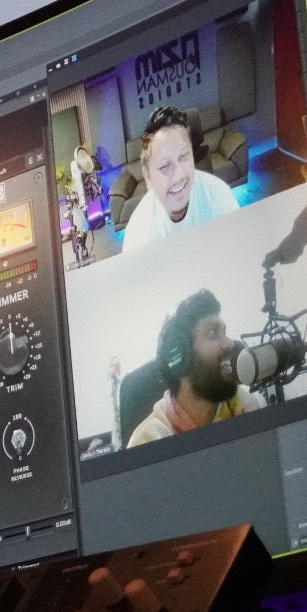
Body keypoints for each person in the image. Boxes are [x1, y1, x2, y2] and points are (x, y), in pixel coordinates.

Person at [126, 288, 263, 446]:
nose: (229, 343)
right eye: (213, 333)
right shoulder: (148, 441)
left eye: (224, 332)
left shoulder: (245, 404)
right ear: (180, 354)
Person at [121, 105, 239, 250]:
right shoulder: (139, 235)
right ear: (148, 177)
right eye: (164, 166)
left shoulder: (218, 195)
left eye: (183, 157)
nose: (179, 175)